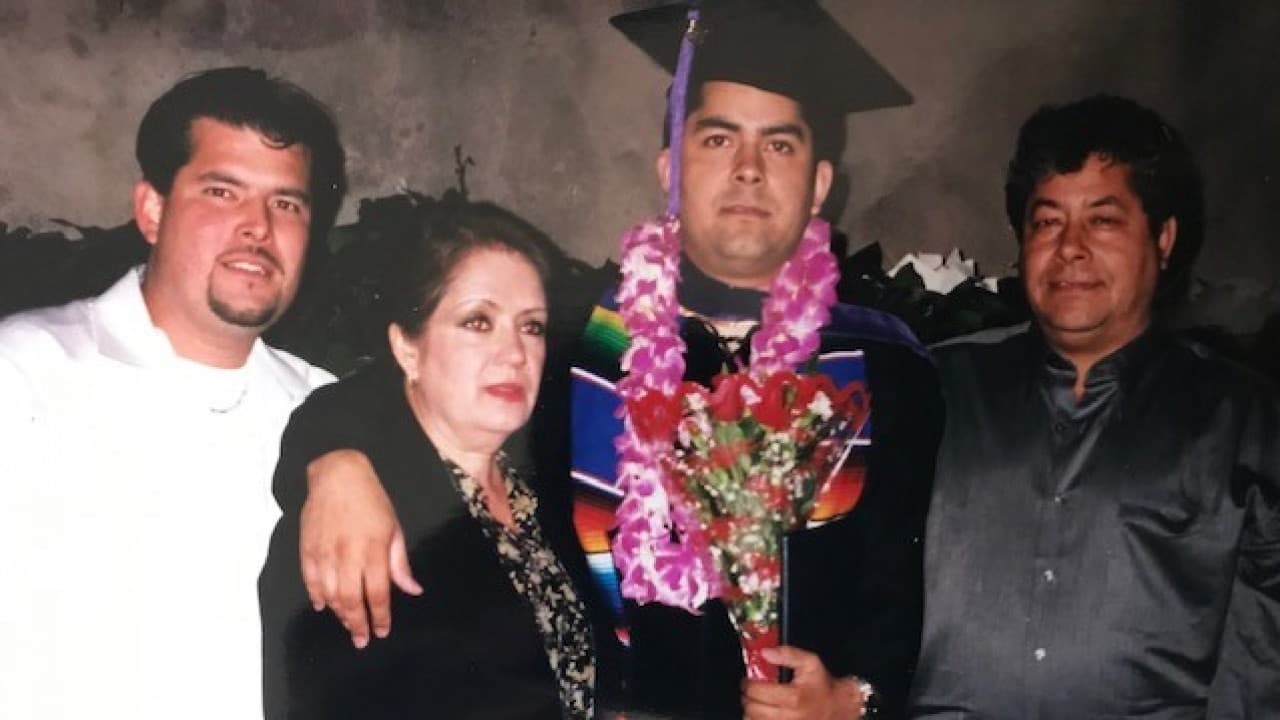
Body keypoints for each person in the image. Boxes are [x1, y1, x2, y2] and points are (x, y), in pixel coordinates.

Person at [293, 2, 940, 717]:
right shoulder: (576, 339)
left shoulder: (884, 366)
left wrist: (857, 700)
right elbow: (405, 383)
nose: (749, 170)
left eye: (779, 146)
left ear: (819, 184)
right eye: (718, 139)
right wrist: (336, 461)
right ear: (671, 169)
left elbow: (902, 591)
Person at [909, 95, 1280, 718]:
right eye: (1047, 222)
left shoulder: (1243, 419)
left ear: (1163, 239)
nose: (1071, 248)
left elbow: (1263, 661)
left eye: (1103, 220)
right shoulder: (934, 388)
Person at [0, 67, 346, 718]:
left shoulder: (327, 411)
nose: (258, 227)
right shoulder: (25, 374)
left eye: (287, 203)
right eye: (223, 192)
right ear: (152, 210)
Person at [259, 199, 595, 719]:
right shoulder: (353, 524)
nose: (515, 353)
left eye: (531, 326)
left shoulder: (545, 486)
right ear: (407, 349)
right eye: (478, 322)